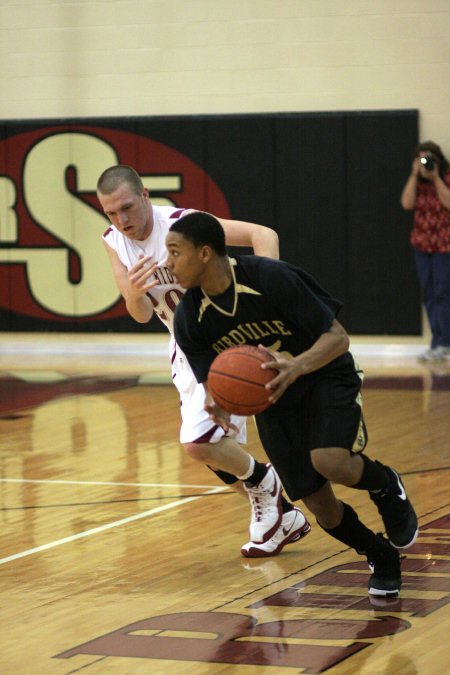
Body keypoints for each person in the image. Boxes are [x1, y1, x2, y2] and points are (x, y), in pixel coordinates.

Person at [167, 211, 419, 597]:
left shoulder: (270, 277)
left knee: (330, 460)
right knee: (321, 506)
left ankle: (386, 485)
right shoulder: (188, 317)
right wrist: (218, 402)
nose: (167, 263)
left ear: (204, 253)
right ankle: (379, 554)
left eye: (174, 252)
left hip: (323, 374)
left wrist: (297, 366)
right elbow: (213, 380)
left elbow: (338, 338)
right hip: (272, 400)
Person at [96, 165, 311, 557]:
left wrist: (270, 293)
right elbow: (142, 314)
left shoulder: (183, 224)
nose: (121, 220)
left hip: (224, 338)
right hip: (185, 345)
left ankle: (268, 486)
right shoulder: (114, 240)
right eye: (111, 213)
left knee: (199, 441)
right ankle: (281, 511)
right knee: (214, 451)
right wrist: (134, 291)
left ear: (145, 195)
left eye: (127, 207)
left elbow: (264, 235)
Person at [400, 141, 450, 362]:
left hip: (444, 244)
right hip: (422, 244)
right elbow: (406, 203)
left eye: (429, 158)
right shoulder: (417, 183)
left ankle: (445, 343)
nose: (425, 163)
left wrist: (435, 177)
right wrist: (414, 174)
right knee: (429, 294)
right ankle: (437, 342)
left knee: (442, 293)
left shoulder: (445, 178)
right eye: (421, 159)